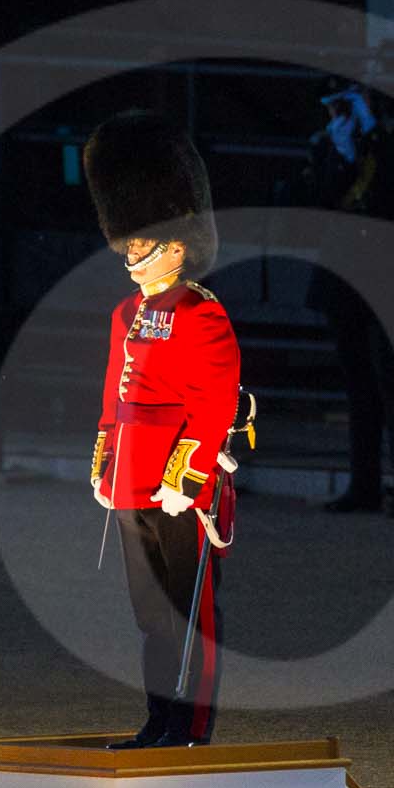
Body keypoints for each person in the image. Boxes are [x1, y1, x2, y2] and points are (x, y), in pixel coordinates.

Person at [84, 112, 242, 749]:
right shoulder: (128, 312)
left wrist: (190, 473)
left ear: (177, 245)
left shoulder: (202, 313)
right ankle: (158, 721)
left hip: (179, 487)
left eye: (142, 244)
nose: (131, 256)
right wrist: (104, 464)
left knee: (189, 615)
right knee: (152, 617)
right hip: (131, 481)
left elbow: (215, 404)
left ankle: (189, 728)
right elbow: (112, 401)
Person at [302, 52, 394, 517]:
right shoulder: (330, 136)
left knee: (391, 378)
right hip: (345, 264)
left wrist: (372, 134)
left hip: (389, 267)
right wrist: (341, 156)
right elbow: (318, 200)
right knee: (357, 380)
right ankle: (364, 485)